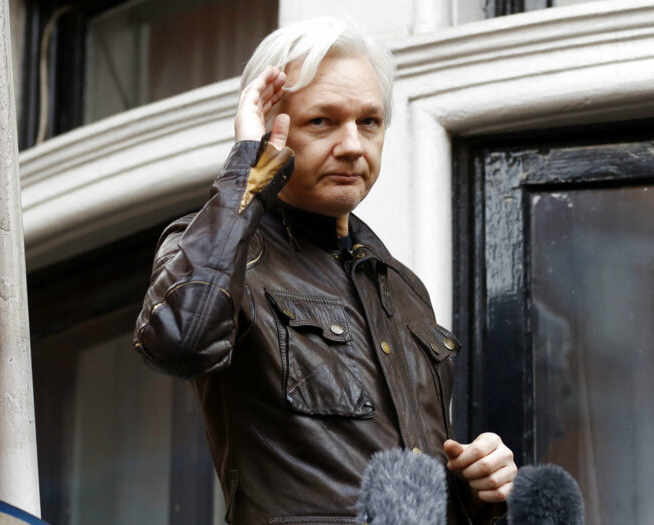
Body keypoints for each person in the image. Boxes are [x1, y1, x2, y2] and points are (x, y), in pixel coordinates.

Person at [134, 17, 517, 524]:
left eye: (369, 122)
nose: (353, 145)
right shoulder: (215, 245)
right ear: (272, 128)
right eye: (322, 122)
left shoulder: (401, 286)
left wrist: (475, 488)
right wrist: (248, 170)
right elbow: (179, 340)